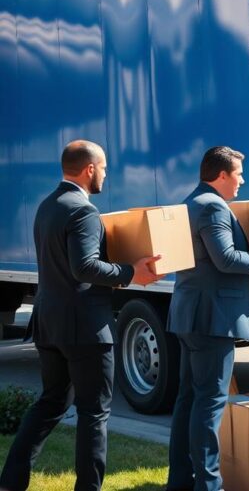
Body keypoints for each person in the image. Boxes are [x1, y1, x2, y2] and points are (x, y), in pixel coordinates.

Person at [0, 140, 163, 491]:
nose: (106, 174)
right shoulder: (84, 211)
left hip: (48, 323)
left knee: (50, 403)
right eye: (103, 168)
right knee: (93, 413)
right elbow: (84, 266)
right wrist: (131, 273)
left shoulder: (47, 206)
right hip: (86, 329)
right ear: (90, 169)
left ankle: (11, 482)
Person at [165, 146, 249, 491]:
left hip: (192, 315)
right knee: (209, 404)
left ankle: (180, 481)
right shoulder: (211, 207)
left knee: (189, 400)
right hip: (212, 318)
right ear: (221, 175)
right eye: (238, 173)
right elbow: (224, 259)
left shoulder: (192, 202)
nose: (242, 180)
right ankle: (208, 485)